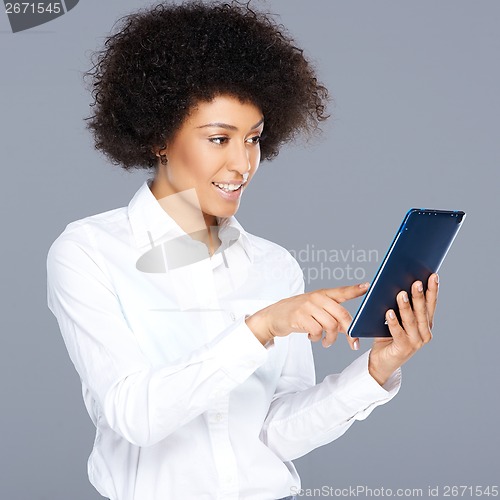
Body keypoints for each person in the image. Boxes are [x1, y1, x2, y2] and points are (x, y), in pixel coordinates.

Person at [46, 1, 437, 499]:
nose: (242, 164)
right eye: (218, 138)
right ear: (159, 137)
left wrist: (377, 369)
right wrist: (261, 327)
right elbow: (135, 416)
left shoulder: (274, 267)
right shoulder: (89, 253)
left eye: (253, 139)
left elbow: (274, 434)